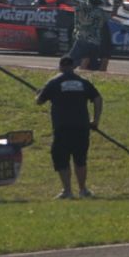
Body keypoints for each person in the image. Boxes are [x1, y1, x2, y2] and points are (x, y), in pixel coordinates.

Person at [35, 56, 103, 199]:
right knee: (80, 159)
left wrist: (39, 93)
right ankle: (83, 190)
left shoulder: (54, 82)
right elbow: (97, 98)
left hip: (62, 127)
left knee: (61, 158)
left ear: (60, 67)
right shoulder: (83, 82)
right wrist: (95, 120)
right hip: (81, 126)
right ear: (73, 67)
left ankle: (67, 191)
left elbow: (39, 101)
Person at [69, 0, 109, 70]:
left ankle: (69, 73)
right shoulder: (100, 12)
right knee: (92, 63)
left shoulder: (82, 7)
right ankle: (101, 68)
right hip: (96, 41)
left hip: (82, 39)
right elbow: (112, 15)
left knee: (71, 61)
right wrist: (116, 7)